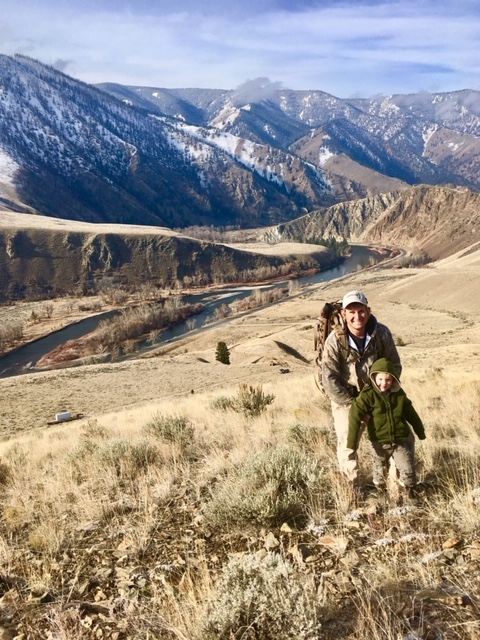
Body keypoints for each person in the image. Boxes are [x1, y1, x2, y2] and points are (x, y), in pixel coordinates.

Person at [321, 290, 401, 482]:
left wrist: (382, 392)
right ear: (343, 314)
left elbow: (394, 366)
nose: (358, 316)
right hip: (346, 400)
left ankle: (394, 484)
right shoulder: (334, 341)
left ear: (368, 310)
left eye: (361, 311)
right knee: (348, 443)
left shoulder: (381, 334)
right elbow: (329, 379)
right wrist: (357, 406)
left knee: (390, 437)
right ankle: (351, 485)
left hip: (378, 396)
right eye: (352, 312)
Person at [348, 357, 425, 498]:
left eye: (388, 380)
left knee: (408, 468)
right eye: (380, 379)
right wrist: (352, 443)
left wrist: (420, 431)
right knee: (380, 469)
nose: (384, 383)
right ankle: (381, 494)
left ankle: (409, 493)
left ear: (394, 379)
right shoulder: (367, 396)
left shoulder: (399, 394)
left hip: (399, 441)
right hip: (378, 442)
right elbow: (354, 417)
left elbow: (411, 413)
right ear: (373, 377)